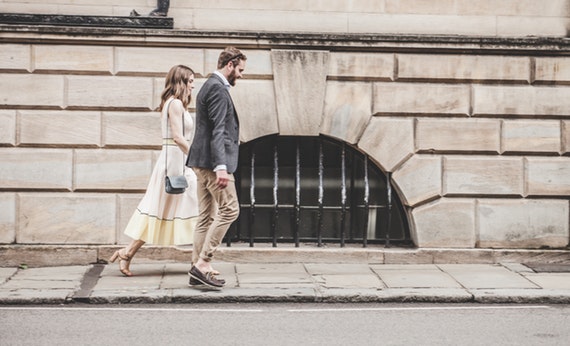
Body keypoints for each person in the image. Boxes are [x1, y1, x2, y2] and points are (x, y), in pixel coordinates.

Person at [109, 64, 198, 277]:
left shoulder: (175, 104)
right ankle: (202, 261)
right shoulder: (175, 104)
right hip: (174, 163)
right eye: (191, 82)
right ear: (181, 81)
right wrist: (195, 158)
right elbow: (177, 137)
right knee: (166, 210)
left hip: (177, 161)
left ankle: (128, 252)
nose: (193, 86)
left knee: (167, 210)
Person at [186, 47, 247, 288]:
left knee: (206, 216)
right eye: (240, 70)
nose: (241, 75)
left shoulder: (209, 86)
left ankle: (196, 268)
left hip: (200, 161)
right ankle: (203, 263)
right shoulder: (218, 89)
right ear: (230, 64)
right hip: (213, 163)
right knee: (230, 210)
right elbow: (218, 131)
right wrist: (221, 166)